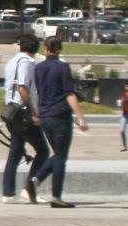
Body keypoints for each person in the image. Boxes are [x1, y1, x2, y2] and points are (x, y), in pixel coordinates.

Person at [29, 36, 90, 207]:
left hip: (45, 115)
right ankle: (56, 196)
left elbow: (38, 91)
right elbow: (69, 93)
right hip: (60, 115)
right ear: (59, 49)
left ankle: (36, 180)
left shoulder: (38, 68)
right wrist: (80, 117)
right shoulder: (63, 67)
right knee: (61, 156)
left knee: (57, 154)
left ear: (46, 48)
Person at [0, 33, 50, 204]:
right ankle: (29, 190)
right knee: (43, 151)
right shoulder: (27, 63)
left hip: (10, 110)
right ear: (35, 49)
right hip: (22, 112)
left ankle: (8, 193)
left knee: (15, 152)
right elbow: (23, 88)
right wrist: (33, 112)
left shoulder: (12, 61)